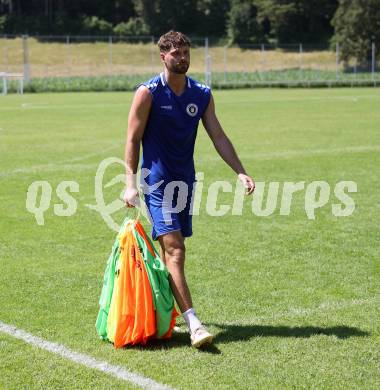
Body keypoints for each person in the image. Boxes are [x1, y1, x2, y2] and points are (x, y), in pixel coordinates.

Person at [123, 31, 255, 348]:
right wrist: (130, 184)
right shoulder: (148, 93)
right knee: (175, 250)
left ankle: (163, 308)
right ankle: (194, 323)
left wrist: (240, 171)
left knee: (175, 253)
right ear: (163, 57)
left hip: (185, 183)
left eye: (185, 53)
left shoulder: (202, 94)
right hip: (156, 182)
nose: (182, 58)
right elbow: (132, 139)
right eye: (175, 54)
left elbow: (219, 136)